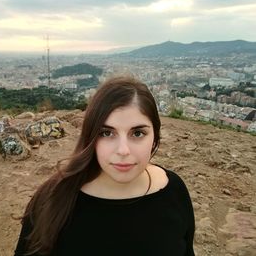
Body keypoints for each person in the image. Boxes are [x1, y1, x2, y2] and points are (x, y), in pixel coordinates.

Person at [14, 76, 195, 256]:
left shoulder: (174, 190)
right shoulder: (54, 200)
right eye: (107, 133)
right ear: (91, 136)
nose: (123, 150)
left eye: (138, 133)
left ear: (155, 137)